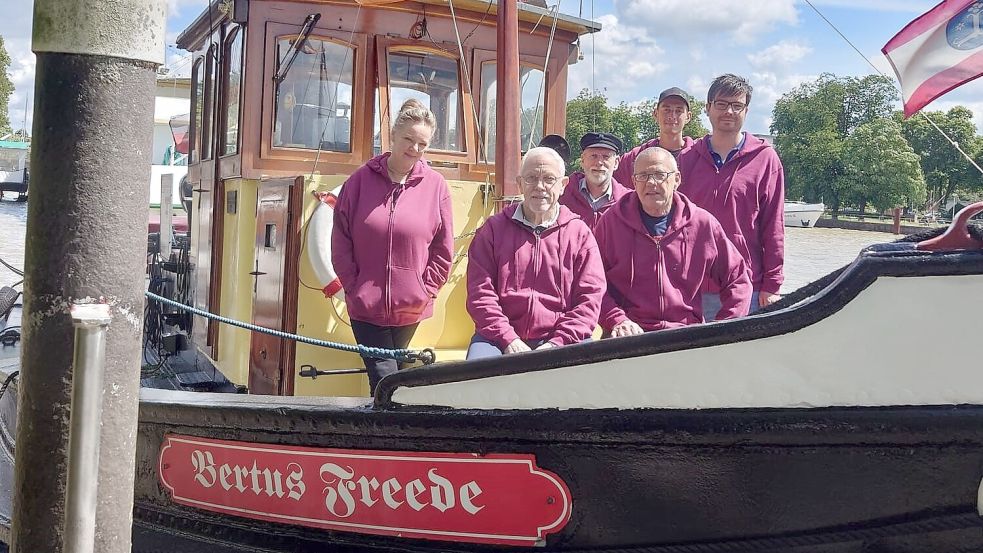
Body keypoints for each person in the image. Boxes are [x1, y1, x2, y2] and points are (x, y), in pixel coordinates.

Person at [332, 99, 454, 392]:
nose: (414, 148)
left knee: (396, 375)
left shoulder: (436, 186)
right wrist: (353, 285)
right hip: (366, 307)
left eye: (422, 144)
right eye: (408, 139)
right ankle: (392, 431)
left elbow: (443, 246)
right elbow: (340, 237)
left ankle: (388, 430)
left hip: (410, 306)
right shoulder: (359, 182)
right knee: (386, 379)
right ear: (393, 136)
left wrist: (427, 289)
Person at [595, 147, 751, 336]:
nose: (651, 182)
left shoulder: (701, 224)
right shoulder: (610, 223)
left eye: (660, 175)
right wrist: (617, 319)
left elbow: (739, 279)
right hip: (629, 335)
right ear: (634, 182)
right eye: (643, 176)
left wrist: (724, 328)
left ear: (677, 179)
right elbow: (592, 284)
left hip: (685, 335)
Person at [466, 147, 605, 358]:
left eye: (549, 179)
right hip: (496, 337)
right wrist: (508, 339)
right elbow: (480, 294)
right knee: (475, 380)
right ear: (520, 183)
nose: (540, 187)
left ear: (563, 185)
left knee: (584, 382)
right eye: (531, 178)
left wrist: (556, 344)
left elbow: (590, 299)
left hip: (564, 338)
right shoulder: (493, 230)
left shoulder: (580, 234)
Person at [677, 74, 785, 319]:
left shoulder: (765, 159)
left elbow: (774, 227)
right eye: (722, 104)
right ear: (708, 108)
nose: (729, 111)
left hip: (746, 286)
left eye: (737, 106)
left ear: (746, 111)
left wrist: (772, 284)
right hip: (691, 286)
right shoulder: (687, 159)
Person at [614, 87, 696, 188]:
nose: (672, 116)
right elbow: (607, 183)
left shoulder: (699, 156)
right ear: (656, 114)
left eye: (678, 111)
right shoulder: (635, 157)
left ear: (688, 116)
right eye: (666, 110)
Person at [558, 132, 631, 232]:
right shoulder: (562, 195)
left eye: (606, 157)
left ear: (616, 163)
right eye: (593, 156)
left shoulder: (628, 202)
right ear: (582, 160)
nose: (599, 163)